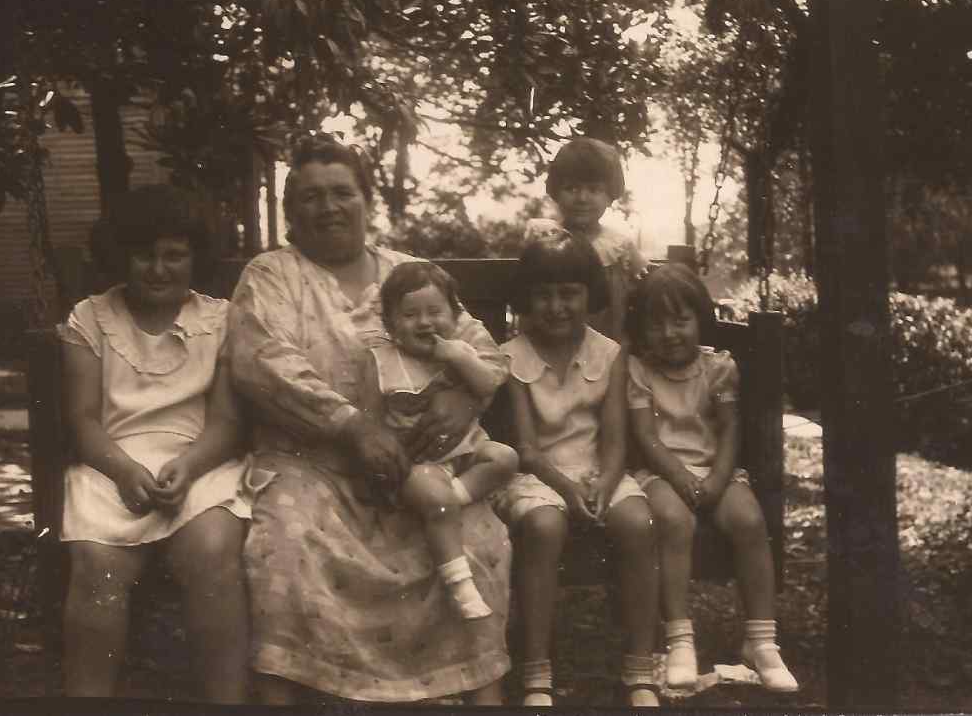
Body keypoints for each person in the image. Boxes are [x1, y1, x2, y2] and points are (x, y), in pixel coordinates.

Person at [228, 135, 513, 705]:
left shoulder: (409, 273)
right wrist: (353, 426)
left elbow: (481, 347)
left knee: (478, 535)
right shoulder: (271, 276)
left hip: (421, 469)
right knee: (285, 540)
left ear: (366, 200)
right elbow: (263, 363)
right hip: (315, 465)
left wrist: (464, 399)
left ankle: (481, 696)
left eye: (342, 193)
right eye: (310, 197)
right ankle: (289, 697)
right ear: (290, 213)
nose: (328, 207)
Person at [57, 184, 256, 703]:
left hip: (200, 461)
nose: (159, 268)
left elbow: (227, 422)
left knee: (213, 554)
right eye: (144, 254)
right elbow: (82, 420)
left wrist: (189, 465)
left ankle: (226, 702)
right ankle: (87, 700)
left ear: (195, 257)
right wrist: (122, 470)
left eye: (175, 255)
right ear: (122, 255)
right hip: (111, 463)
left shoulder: (219, 320)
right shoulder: (92, 318)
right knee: (98, 568)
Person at [494, 231, 660, 708]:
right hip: (539, 476)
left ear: (589, 295)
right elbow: (526, 447)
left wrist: (605, 484)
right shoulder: (514, 356)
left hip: (597, 470)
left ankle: (640, 665)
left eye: (569, 293)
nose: (556, 306)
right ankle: (537, 669)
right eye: (543, 294)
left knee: (636, 522)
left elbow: (614, 437)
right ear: (526, 299)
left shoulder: (608, 353)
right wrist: (567, 490)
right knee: (544, 527)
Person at [626, 263, 798, 693]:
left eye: (680, 320)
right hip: (662, 470)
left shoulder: (718, 367)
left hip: (714, 468)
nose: (670, 333)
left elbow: (729, 429)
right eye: (657, 324)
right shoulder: (639, 371)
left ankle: (761, 642)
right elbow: (647, 438)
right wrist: (681, 478)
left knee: (749, 521)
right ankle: (680, 639)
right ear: (641, 330)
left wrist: (720, 480)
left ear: (700, 319)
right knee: (674, 521)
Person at [362, 261, 519, 620]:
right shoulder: (382, 361)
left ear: (454, 315)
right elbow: (372, 419)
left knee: (505, 458)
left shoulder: (460, 351)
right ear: (390, 325)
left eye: (435, 312)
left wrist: (460, 358)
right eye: (410, 315)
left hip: (466, 451)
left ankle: (451, 501)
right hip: (420, 462)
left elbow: (487, 386)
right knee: (435, 495)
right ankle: (461, 586)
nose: (425, 322)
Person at [526, 137, 646, 342]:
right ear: (556, 192)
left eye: (594, 189)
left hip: (606, 347)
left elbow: (647, 278)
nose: (582, 198)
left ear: (610, 195)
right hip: (547, 342)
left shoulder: (618, 245)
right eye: (571, 188)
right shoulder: (545, 235)